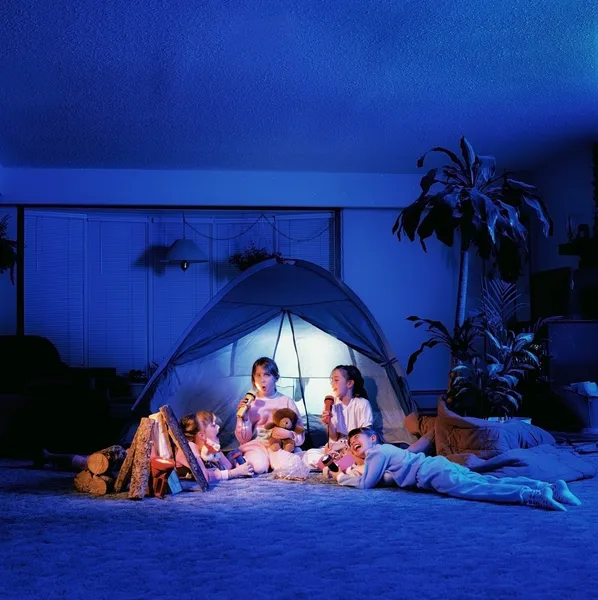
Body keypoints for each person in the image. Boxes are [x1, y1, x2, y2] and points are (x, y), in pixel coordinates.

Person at [331, 427, 582, 512]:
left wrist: (339, 475)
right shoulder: (385, 454)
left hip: (430, 474)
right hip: (437, 465)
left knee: (475, 489)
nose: (354, 444)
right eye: (352, 446)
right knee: (486, 481)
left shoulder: (377, 452)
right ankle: (547, 487)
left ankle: (530, 496)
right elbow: (380, 479)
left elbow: (366, 485)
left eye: (358, 440)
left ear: (373, 438)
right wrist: (349, 465)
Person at [235, 356, 306, 474]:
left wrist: (290, 434)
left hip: (279, 445)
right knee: (259, 468)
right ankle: (247, 460)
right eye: (258, 375)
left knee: (285, 466)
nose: (262, 380)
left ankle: (283, 458)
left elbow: (300, 432)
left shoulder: (286, 401)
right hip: (257, 445)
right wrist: (243, 419)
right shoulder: (250, 402)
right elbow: (244, 439)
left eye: (266, 375)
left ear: (276, 378)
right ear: (253, 378)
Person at [303, 364, 374, 470]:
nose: (332, 384)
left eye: (336, 380)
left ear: (349, 383)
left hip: (355, 447)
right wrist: (329, 422)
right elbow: (334, 437)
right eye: (331, 380)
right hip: (337, 445)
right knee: (309, 455)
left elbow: (366, 435)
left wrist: (345, 446)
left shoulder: (362, 404)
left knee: (358, 457)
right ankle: (334, 464)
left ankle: (334, 466)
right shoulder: (334, 405)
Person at [176, 413, 254, 482]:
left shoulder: (208, 447)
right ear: (201, 435)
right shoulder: (190, 448)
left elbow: (227, 466)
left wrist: (236, 463)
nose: (218, 427)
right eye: (213, 425)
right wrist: (234, 473)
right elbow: (204, 477)